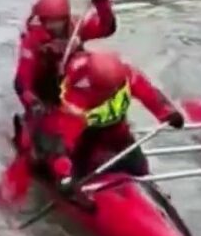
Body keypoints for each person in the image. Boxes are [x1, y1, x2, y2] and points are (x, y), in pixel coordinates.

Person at [38, 49, 184, 193]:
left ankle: (150, 192)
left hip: (117, 132)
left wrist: (168, 113)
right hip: (84, 142)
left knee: (139, 165)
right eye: (108, 90)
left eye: (116, 87)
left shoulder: (126, 75)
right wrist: (63, 175)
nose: (114, 92)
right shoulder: (76, 99)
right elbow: (62, 140)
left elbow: (149, 93)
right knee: (81, 174)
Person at [13, 0, 115, 122]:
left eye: (58, 21)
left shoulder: (76, 28)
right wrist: (34, 103)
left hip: (72, 84)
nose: (53, 26)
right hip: (45, 90)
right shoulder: (32, 40)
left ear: (66, 17)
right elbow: (22, 82)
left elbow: (106, 28)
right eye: (48, 21)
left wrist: (101, 0)